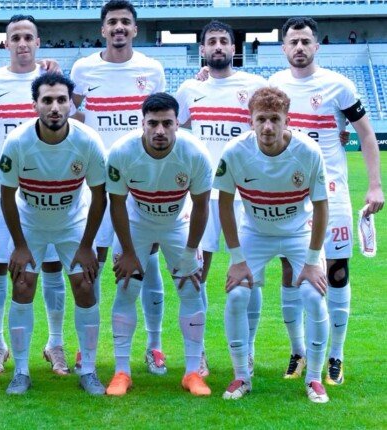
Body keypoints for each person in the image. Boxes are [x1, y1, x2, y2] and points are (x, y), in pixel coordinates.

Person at [270, 17, 383, 385]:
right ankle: (298, 351)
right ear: (284, 48)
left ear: (316, 46)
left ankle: (336, 354)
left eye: (306, 41)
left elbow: (367, 136)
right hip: (290, 194)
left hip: (331, 192)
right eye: (293, 42)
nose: (299, 47)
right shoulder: (275, 86)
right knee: (290, 270)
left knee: (336, 271)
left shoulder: (339, 86)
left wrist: (375, 186)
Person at [0, 15, 70, 376]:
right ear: (6, 43)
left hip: (47, 193)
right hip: (1, 192)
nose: (22, 43)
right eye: (15, 37)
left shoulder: (52, 82)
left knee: (52, 268)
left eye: (28, 37)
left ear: (38, 42)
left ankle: (55, 344)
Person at [70, 0, 168, 375]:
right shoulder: (83, 69)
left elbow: (161, 116)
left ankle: (155, 345)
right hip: (96, 184)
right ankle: (88, 348)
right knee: (91, 264)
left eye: (125, 21)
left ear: (135, 29)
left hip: (140, 183)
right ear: (103, 29)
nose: (119, 27)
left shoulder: (151, 69)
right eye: (112, 22)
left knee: (148, 263)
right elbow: (73, 114)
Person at [216, 87, 330, 403]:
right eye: (261, 119)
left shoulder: (308, 151)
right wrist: (237, 258)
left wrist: (311, 261)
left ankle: (314, 377)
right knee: (237, 295)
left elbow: (322, 206)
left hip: (298, 233)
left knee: (313, 295)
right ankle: (242, 375)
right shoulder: (235, 151)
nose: (267, 127)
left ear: (287, 121)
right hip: (255, 233)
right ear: (250, 121)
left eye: (275, 119)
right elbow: (224, 204)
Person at [0, 73, 107, 395]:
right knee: (22, 285)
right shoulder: (18, 142)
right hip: (30, 223)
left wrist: (87, 245)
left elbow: (99, 196)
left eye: (61, 100)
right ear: (35, 105)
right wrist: (19, 246)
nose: (55, 107)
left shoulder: (87, 141)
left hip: (72, 223)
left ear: (71, 104)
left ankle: (88, 370)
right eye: (47, 100)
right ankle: (21, 372)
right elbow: (6, 196)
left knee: (84, 286)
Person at [105, 93, 212, 397]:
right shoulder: (122, 151)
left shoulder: (195, 153)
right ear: (143, 123)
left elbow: (201, 205)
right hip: (136, 223)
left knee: (191, 289)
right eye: (153, 123)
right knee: (127, 288)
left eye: (167, 123)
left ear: (178, 123)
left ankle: (192, 372)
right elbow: (116, 204)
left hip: (177, 223)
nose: (160, 130)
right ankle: (121, 372)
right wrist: (127, 252)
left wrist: (190, 251)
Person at [176, 20, 267, 377]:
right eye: (211, 41)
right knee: (196, 273)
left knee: (249, 275)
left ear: (233, 48)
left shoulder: (254, 86)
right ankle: (197, 354)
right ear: (202, 50)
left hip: (246, 196)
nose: (217, 46)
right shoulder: (189, 89)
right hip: (202, 196)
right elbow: (174, 130)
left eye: (223, 41)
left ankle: (249, 350)